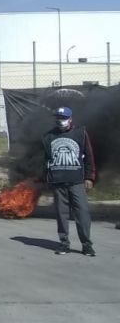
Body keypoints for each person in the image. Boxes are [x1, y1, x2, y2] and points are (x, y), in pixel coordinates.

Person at [43, 106, 96, 256]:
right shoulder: (49, 136)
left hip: (77, 182)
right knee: (61, 214)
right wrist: (46, 177)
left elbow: (89, 157)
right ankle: (64, 243)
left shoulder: (80, 133)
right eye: (59, 118)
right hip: (58, 182)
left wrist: (89, 177)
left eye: (64, 118)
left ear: (71, 118)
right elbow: (47, 160)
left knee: (83, 214)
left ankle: (86, 245)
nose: (61, 121)